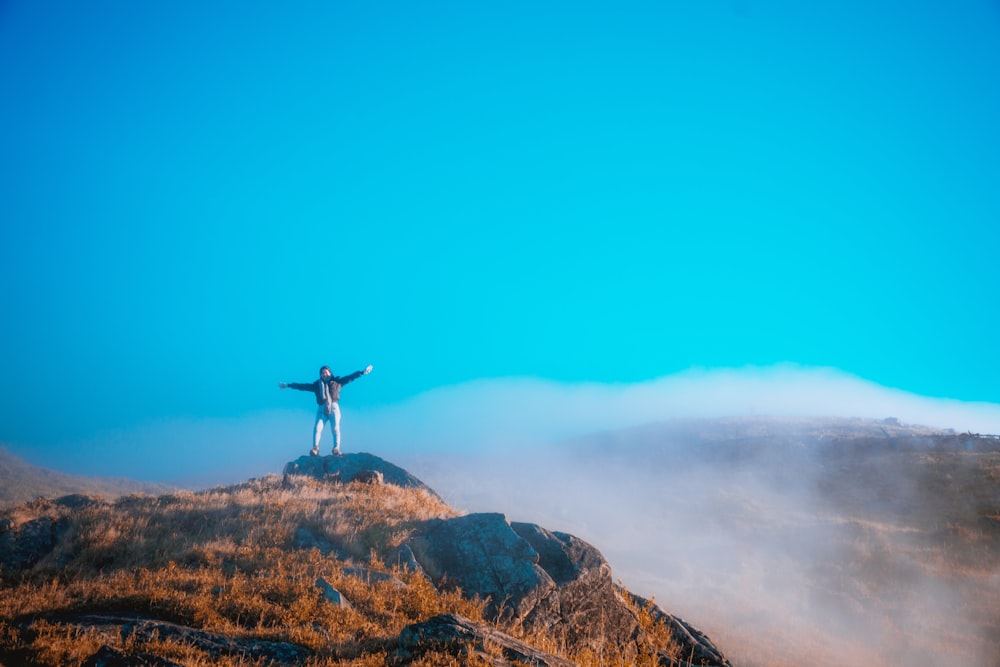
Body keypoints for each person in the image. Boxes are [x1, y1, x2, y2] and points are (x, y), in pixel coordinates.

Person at [280, 364, 373, 456]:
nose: (323, 374)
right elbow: (303, 386)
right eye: (322, 373)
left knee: (335, 428)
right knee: (317, 428)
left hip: (334, 407)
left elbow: (350, 377)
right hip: (321, 408)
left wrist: (363, 372)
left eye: (325, 372)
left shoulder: (337, 382)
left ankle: (336, 449)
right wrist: (288, 385)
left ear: (330, 373)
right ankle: (315, 448)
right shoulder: (317, 385)